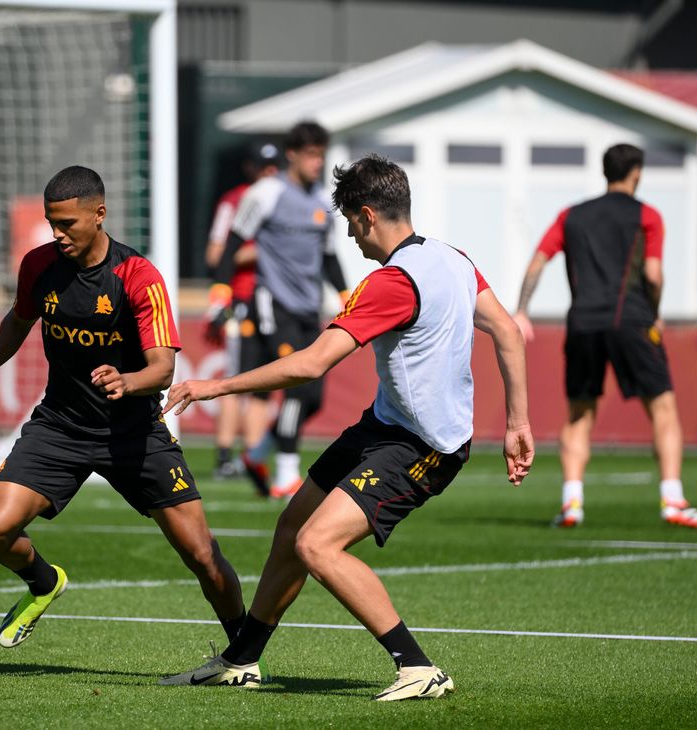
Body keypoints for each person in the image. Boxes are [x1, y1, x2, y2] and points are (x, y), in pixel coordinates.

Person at [158, 155, 534, 700]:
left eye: (351, 224)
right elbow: (508, 331)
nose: (352, 237)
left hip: (423, 446)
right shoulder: (454, 259)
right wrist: (518, 422)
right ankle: (242, 659)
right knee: (292, 527)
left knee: (316, 544)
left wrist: (214, 387)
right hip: (384, 425)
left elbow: (312, 364)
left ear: (367, 215)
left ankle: (418, 668)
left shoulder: (390, 283)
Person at [0, 165, 247, 650]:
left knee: (203, 555)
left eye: (67, 224)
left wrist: (129, 381)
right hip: (60, 426)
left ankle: (243, 652)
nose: (57, 234)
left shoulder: (138, 276)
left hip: (135, 434)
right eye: (51, 223)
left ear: (99, 214)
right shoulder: (39, 266)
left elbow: (163, 369)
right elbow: (16, 323)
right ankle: (43, 583)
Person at [513, 143, 697, 529]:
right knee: (663, 409)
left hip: (583, 325)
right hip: (632, 321)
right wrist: (654, 313)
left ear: (605, 172)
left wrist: (522, 309)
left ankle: (572, 503)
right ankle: (673, 500)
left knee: (579, 414)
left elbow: (538, 261)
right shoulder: (647, 215)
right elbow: (653, 274)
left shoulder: (570, 216)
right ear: (636, 173)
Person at [208, 121, 350, 499]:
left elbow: (329, 257)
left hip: (309, 309)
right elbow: (232, 244)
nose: (317, 162)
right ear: (293, 155)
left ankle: (257, 454)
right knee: (298, 384)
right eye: (311, 155)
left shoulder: (323, 202)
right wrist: (220, 293)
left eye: (321, 155)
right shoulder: (267, 193)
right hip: (272, 304)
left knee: (314, 397)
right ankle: (287, 474)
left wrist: (345, 295)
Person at [204, 142, 281, 487]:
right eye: (262, 166)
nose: (269, 172)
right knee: (234, 380)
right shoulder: (234, 201)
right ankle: (224, 457)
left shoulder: (287, 198)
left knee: (265, 383)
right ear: (250, 168)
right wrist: (264, 251)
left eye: (274, 165)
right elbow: (215, 255)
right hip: (242, 301)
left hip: (275, 304)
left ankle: (253, 456)